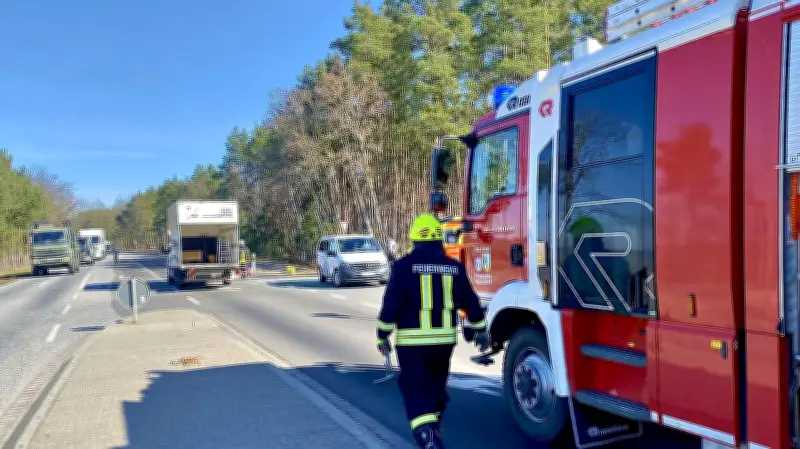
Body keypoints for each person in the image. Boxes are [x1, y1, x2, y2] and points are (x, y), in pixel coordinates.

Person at [376, 213, 490, 449]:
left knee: (416, 391)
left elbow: (391, 306)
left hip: (412, 344)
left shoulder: (403, 267)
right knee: (436, 387)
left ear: (414, 240)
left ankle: (429, 439)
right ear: (439, 240)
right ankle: (433, 428)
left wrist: (382, 334)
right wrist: (480, 330)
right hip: (444, 343)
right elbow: (471, 301)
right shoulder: (454, 268)